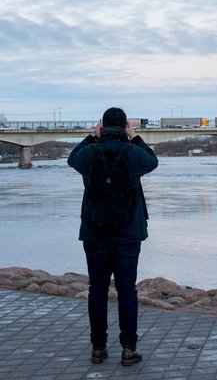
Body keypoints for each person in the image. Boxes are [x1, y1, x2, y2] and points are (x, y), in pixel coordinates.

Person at [67, 107, 158, 366]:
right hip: (128, 233)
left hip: (95, 233)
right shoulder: (132, 153)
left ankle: (98, 347)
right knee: (127, 290)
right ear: (125, 126)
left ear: (102, 126)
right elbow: (152, 162)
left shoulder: (90, 152)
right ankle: (129, 348)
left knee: (97, 290)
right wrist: (135, 137)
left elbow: (72, 159)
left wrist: (91, 137)